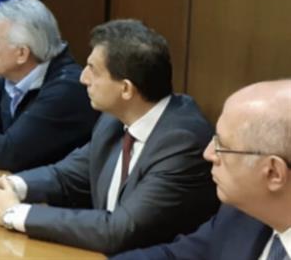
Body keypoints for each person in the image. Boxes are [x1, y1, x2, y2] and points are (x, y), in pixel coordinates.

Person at [0, 19, 218, 254]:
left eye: (93, 70)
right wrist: (9, 186)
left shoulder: (181, 142)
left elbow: (119, 230)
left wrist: (13, 212)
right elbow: (66, 176)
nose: (83, 78)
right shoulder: (113, 120)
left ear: (125, 89)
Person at [111, 80, 291, 260]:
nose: (208, 153)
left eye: (222, 145)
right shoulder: (241, 214)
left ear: (273, 173)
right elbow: (176, 256)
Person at [0, 0, 99, 171]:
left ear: (22, 54)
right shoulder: (12, 76)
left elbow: (8, 154)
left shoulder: (66, 89)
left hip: (52, 187)